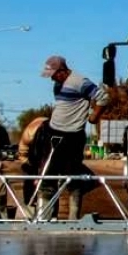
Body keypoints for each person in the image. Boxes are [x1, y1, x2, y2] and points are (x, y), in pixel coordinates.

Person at [40, 55, 108, 219]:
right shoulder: (58, 84)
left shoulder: (79, 81)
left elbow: (103, 97)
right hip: (54, 132)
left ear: (62, 71)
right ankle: (45, 217)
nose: (52, 79)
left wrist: (94, 116)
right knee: (48, 174)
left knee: (72, 176)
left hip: (72, 136)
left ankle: (73, 216)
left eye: (54, 75)